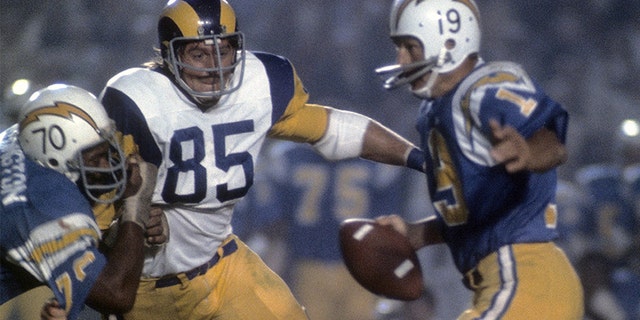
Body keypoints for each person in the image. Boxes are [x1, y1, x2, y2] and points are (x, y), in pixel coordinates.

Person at [98, 0, 424, 319]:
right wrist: (127, 222)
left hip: (222, 268)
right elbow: (95, 213)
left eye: (222, 51)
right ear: (170, 55)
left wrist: (420, 159)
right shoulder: (136, 102)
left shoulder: (259, 85)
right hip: (144, 290)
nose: (213, 67)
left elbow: (335, 128)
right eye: (198, 54)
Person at [372, 0, 584, 319]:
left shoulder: (485, 87)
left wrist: (529, 151)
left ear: (449, 43)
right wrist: (418, 234)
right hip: (503, 286)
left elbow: (551, 142)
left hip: (525, 280)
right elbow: (475, 213)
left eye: (410, 47)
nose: (401, 59)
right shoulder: (436, 109)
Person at [0, 84, 159, 320]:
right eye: (95, 158)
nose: (105, 166)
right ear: (54, 160)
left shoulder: (25, 140)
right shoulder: (44, 210)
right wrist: (136, 205)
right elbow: (117, 295)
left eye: (105, 153)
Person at [235, 140, 411, 320]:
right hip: (333, 263)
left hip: (335, 264)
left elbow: (272, 221)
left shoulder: (289, 157)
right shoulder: (374, 161)